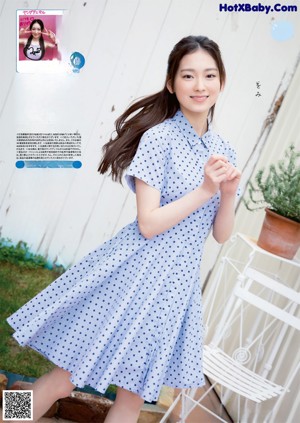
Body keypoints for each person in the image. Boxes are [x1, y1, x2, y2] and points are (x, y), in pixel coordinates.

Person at [7, 35, 241, 423]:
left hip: (175, 289)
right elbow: (149, 223)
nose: (200, 86)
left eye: (209, 75)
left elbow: (220, 234)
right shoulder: (160, 138)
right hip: (131, 274)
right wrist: (205, 190)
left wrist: (227, 194)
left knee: (132, 401)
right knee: (64, 381)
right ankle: (9, 415)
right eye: (188, 76)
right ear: (171, 83)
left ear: (221, 81)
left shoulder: (224, 151)